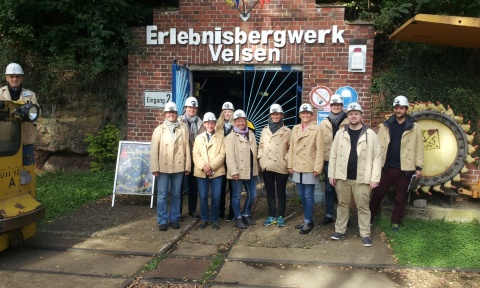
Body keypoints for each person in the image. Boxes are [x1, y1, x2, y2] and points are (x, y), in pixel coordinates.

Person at [328, 102, 381, 247]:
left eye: (356, 113)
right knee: (342, 204)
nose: (353, 116)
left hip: (363, 178)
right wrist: (331, 175)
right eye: (350, 114)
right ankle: (340, 230)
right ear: (347, 116)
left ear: (361, 116)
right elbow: (333, 155)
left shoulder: (371, 135)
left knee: (363, 206)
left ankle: (365, 233)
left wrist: (375, 178)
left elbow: (377, 158)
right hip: (342, 176)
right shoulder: (340, 133)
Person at [369, 95, 423, 232]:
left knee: (400, 197)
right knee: (377, 194)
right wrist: (375, 165)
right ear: (394, 109)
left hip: (405, 169)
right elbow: (378, 146)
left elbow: (419, 148)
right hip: (387, 167)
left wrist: (418, 167)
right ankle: (369, 217)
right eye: (396, 108)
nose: (398, 110)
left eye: (401, 108)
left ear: (406, 109)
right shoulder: (386, 125)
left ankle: (396, 222)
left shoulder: (414, 127)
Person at [150, 102, 191, 231]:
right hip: (163, 167)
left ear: (177, 114)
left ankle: (174, 218)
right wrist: (154, 167)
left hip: (178, 166)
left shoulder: (183, 130)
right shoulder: (159, 130)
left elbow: (186, 149)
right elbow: (153, 150)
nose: (171, 115)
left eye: (173, 113)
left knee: (176, 194)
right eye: (169, 113)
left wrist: (187, 165)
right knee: (162, 194)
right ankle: (162, 220)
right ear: (165, 115)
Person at [287, 103, 324, 234]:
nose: (305, 115)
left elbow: (320, 150)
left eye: (308, 113)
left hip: (310, 166)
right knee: (302, 195)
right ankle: (306, 219)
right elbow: (291, 148)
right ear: (299, 115)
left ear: (311, 115)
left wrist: (317, 168)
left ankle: (308, 221)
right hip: (297, 166)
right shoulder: (295, 128)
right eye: (303, 113)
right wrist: (290, 165)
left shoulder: (317, 129)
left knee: (308, 196)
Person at [258, 104, 291, 227]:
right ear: (270, 116)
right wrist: (261, 159)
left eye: (278, 114)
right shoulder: (264, 130)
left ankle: (281, 215)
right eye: (273, 114)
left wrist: (286, 160)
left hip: (281, 165)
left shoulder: (287, 131)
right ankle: (271, 214)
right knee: (270, 192)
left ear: (281, 115)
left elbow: (290, 148)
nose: (275, 116)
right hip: (267, 165)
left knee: (281, 191)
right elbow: (261, 146)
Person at [225, 109, 258, 229]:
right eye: (238, 121)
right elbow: (230, 156)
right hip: (237, 172)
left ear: (246, 121)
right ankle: (238, 217)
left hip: (250, 170)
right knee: (237, 196)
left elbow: (255, 151)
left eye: (242, 121)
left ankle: (246, 214)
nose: (240, 123)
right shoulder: (230, 137)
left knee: (252, 194)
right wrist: (234, 172)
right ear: (234, 122)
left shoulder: (251, 134)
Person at [192, 112, 226, 231]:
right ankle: (204, 219)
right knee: (203, 197)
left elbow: (222, 154)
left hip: (217, 171)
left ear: (215, 124)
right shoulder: (198, 138)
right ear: (204, 124)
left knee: (216, 197)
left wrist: (210, 166)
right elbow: (195, 154)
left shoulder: (221, 138)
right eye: (208, 123)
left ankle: (215, 219)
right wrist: (204, 167)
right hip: (201, 172)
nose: (210, 125)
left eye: (212, 123)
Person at [0, 63, 39, 165]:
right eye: (11, 76)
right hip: (4, 138)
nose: (14, 79)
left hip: (26, 137)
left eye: (18, 76)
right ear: (7, 78)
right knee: (6, 166)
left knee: (26, 168)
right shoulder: (0, 93)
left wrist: (25, 111)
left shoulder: (30, 95)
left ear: (22, 78)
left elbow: (37, 111)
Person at [319, 94, 348, 225]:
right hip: (328, 160)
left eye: (338, 105)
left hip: (345, 160)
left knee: (343, 188)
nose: (336, 107)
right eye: (334, 104)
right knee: (330, 188)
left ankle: (344, 217)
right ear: (330, 106)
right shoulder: (324, 122)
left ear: (342, 106)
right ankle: (329, 214)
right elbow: (319, 143)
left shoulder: (348, 121)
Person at [179, 96, 205, 220]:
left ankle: (192, 209)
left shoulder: (201, 123)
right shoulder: (179, 122)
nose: (192, 110)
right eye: (190, 107)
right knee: (179, 185)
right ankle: (177, 212)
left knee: (193, 185)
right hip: (182, 156)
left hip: (195, 158)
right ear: (186, 108)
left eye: (194, 107)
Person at [215, 101, 235, 221]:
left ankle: (232, 211)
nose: (227, 114)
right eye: (225, 112)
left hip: (232, 161)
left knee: (233, 187)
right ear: (222, 113)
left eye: (229, 112)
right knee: (220, 187)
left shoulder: (237, 125)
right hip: (221, 161)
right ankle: (220, 210)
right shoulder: (217, 126)